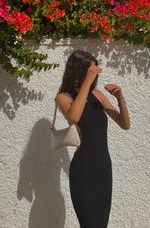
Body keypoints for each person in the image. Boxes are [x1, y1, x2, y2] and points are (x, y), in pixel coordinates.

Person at [55, 50, 130, 228]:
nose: (96, 71)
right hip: (83, 170)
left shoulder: (97, 95)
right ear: (79, 70)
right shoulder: (63, 97)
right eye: (92, 68)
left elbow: (125, 124)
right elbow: (74, 117)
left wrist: (120, 98)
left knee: (101, 224)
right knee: (89, 224)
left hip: (103, 168)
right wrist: (87, 82)